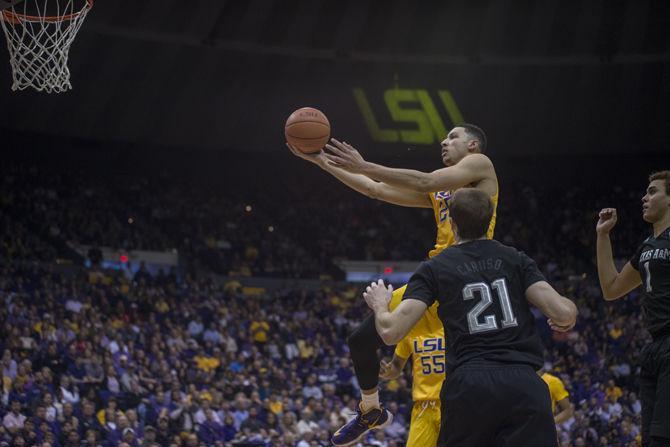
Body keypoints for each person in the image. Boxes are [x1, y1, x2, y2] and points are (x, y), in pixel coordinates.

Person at [288, 123, 498, 445]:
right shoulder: (441, 191)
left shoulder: (481, 166)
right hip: (435, 280)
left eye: (453, 136)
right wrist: (321, 161)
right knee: (361, 339)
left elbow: (423, 179)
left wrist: (364, 164)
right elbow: (376, 189)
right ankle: (371, 409)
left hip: (468, 280)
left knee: (470, 373)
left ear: (473, 146)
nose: (444, 140)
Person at [362, 189, 577, 446]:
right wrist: (565, 317)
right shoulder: (515, 259)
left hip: (470, 384)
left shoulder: (435, 268)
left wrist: (380, 306)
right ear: (490, 221)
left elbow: (390, 332)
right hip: (524, 382)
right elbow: (564, 314)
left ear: (451, 223)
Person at [596, 170, 670, 447]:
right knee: (650, 438)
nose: (644, 197)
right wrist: (603, 236)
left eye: (653, 191)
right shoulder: (648, 246)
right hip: (654, 347)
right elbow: (611, 289)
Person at [379, 320, 444, 446]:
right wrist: (387, 372)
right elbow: (396, 367)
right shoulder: (410, 331)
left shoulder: (453, 326)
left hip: (452, 402)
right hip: (424, 406)